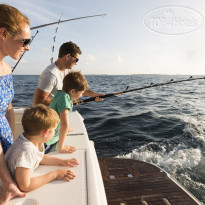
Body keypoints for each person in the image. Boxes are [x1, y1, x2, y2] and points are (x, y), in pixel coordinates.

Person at [5, 104, 79, 192]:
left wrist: (62, 161)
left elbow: (38, 157)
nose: (55, 132)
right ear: (45, 132)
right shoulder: (27, 150)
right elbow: (25, 185)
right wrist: (55, 174)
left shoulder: (29, 138)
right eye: (54, 129)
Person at [0, 4, 31, 204]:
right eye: (24, 40)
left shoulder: (7, 68)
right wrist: (6, 178)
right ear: (3, 33)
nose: (27, 47)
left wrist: (11, 146)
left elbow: (9, 108)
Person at [33, 41, 103, 105]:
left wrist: (94, 94)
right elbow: (38, 101)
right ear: (68, 56)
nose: (76, 63)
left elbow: (77, 89)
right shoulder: (51, 75)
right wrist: (65, 102)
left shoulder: (66, 71)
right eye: (76, 60)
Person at [45, 71, 88, 153]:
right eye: (81, 93)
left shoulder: (59, 93)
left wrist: (67, 128)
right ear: (72, 91)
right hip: (47, 141)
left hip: (47, 133)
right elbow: (64, 124)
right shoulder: (65, 99)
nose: (81, 95)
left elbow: (57, 114)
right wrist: (61, 147)